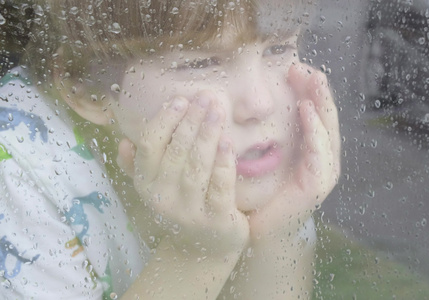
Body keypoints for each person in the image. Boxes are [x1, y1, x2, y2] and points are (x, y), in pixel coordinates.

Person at [0, 0, 340, 299]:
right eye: (200, 64)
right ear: (87, 88)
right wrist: (196, 254)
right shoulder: (18, 174)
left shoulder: (248, 156)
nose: (260, 103)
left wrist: (278, 233)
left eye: (276, 49)